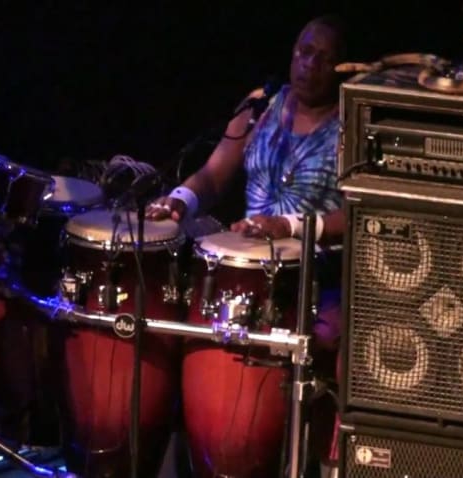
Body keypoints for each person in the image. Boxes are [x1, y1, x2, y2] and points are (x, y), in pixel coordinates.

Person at [146, 13, 348, 472]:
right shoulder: (261, 108)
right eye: (303, 51)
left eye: (323, 58)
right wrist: (180, 201)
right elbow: (216, 174)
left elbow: (360, 214)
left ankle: (318, 459)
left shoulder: (351, 126)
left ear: (340, 67)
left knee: (333, 347)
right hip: (243, 270)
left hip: (318, 275)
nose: (308, 64)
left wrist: (291, 225)